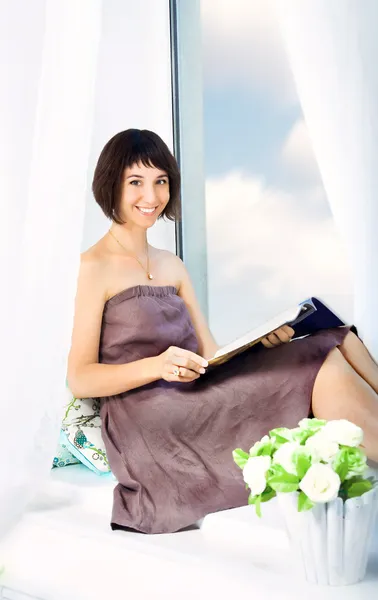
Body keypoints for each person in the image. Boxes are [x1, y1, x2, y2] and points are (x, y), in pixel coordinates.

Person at [68, 129, 378, 534]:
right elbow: (80, 378)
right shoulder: (92, 267)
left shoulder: (171, 265)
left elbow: (211, 353)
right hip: (147, 414)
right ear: (110, 184)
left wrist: (264, 345)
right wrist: (157, 366)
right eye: (136, 182)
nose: (151, 195)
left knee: (332, 339)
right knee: (320, 363)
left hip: (193, 393)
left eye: (161, 181)